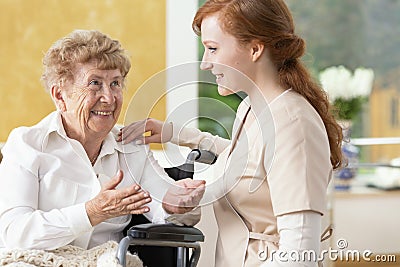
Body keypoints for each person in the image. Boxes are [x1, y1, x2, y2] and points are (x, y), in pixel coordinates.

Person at [120, 0, 344, 266]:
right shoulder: (253, 107)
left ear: (255, 49)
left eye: (213, 49)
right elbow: (247, 158)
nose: (205, 63)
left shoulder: (293, 123)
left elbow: (299, 256)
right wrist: (173, 133)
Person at [0, 29, 205, 251]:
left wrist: (176, 204)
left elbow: (168, 213)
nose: (108, 98)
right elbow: (15, 233)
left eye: (115, 83)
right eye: (94, 83)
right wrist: (91, 212)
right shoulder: (27, 145)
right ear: (60, 95)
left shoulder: (131, 146)